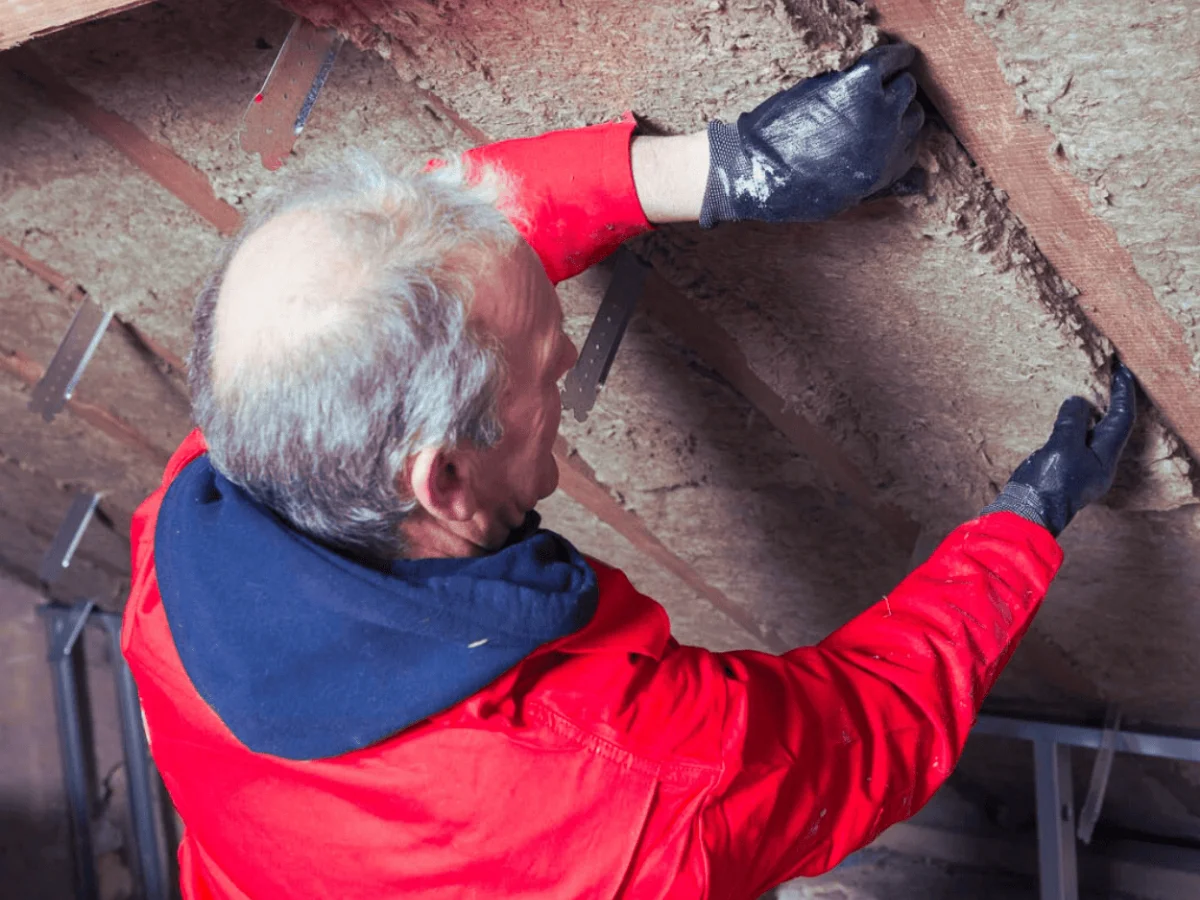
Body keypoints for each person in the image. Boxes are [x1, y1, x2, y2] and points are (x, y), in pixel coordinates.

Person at [121, 42, 1135, 899]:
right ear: (446, 485)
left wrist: (723, 169)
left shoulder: (211, 504)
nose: (567, 362)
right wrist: (1024, 526)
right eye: (546, 371)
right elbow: (854, 733)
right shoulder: (628, 791)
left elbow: (385, 257)